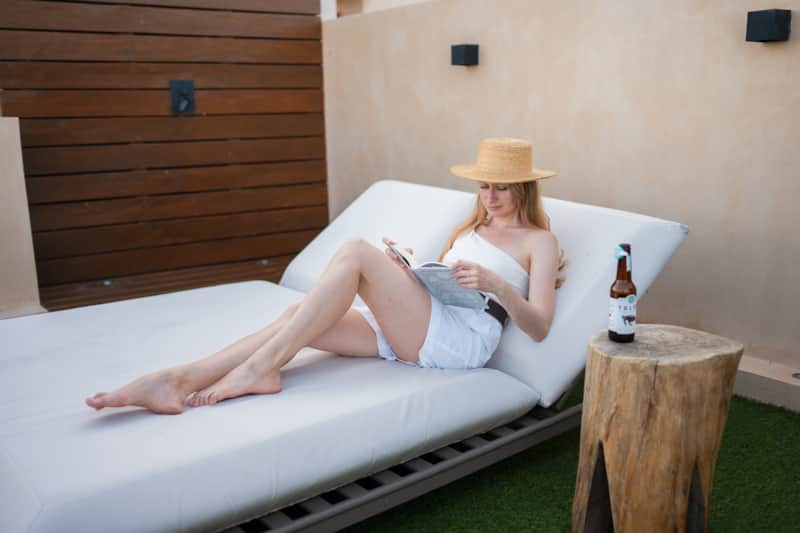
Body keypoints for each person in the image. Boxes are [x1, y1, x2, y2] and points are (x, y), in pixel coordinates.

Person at [85, 137, 565, 414]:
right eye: (484, 186)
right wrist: (409, 273)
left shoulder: (539, 241)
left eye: (502, 189)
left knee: (356, 251)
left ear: (524, 188)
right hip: (431, 317)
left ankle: (260, 369)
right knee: (300, 313)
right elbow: (442, 285)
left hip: (461, 342)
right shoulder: (472, 227)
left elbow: (540, 326)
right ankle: (176, 379)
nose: (490, 197)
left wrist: (497, 283)